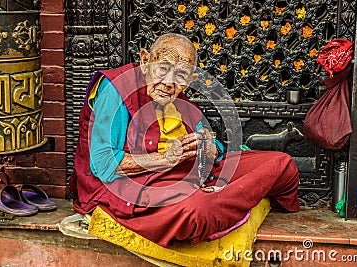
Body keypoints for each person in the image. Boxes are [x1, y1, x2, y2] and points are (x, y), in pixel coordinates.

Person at [69, 33, 299, 248]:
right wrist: (165, 159)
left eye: (180, 75)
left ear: (190, 79)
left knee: (282, 164)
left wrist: (212, 149)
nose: (169, 82)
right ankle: (227, 198)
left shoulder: (178, 96)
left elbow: (207, 141)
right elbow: (103, 164)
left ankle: (221, 198)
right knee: (197, 211)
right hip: (134, 183)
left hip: (189, 172)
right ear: (145, 60)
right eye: (163, 69)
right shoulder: (116, 88)